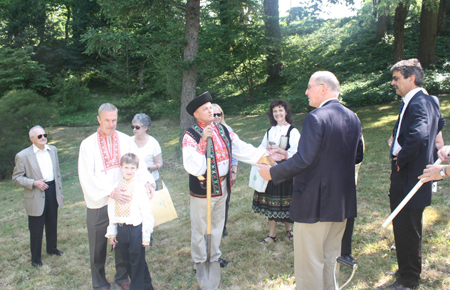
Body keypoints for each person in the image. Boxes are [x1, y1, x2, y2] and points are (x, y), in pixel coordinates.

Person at [258, 71, 364, 290]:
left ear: (323, 89)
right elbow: (357, 156)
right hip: (341, 202)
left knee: (310, 263)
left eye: (309, 87)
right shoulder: (353, 117)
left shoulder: (316, 118)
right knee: (330, 258)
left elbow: (304, 159)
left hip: (315, 204)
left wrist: (273, 173)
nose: (306, 92)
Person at [182, 92, 266, 269]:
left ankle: (213, 256)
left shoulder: (224, 130)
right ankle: (199, 260)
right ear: (196, 115)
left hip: (223, 185)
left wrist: (264, 157)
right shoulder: (190, 135)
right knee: (200, 227)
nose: (210, 110)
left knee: (218, 223)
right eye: (205, 109)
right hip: (203, 187)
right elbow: (193, 167)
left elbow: (241, 148)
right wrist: (203, 140)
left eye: (211, 107)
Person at [381, 59, 445, 290]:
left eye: (397, 78)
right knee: (406, 227)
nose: (393, 83)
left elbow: (419, 135)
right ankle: (407, 272)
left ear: (412, 78)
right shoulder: (426, 100)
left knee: (407, 228)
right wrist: (397, 140)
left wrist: (402, 158)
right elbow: (439, 123)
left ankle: (408, 281)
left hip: (409, 175)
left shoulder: (419, 101)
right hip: (411, 173)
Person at [78, 103, 156, 290]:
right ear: (98, 119)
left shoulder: (125, 139)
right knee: (97, 245)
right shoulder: (87, 144)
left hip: (125, 199)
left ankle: (122, 277)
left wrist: (147, 181)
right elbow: (87, 175)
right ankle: (99, 282)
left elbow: (136, 162)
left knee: (123, 241)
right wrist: (110, 191)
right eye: (107, 120)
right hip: (100, 200)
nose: (111, 124)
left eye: (114, 120)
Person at [12, 126, 64, 267]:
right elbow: (16, 178)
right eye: (39, 136)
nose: (43, 138)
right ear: (32, 139)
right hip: (35, 193)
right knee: (36, 227)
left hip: (52, 190)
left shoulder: (52, 150)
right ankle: (36, 259)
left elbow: (57, 173)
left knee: (52, 222)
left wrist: (59, 192)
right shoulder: (23, 155)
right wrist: (34, 183)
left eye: (44, 135)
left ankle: (52, 249)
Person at [252, 100, 300, 244]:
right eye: (275, 111)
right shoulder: (270, 131)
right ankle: (272, 235)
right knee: (272, 201)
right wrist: (264, 152)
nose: (277, 114)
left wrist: (280, 151)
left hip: (286, 170)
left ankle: (289, 229)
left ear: (286, 112)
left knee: (286, 201)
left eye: (280, 110)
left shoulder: (293, 131)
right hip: (271, 170)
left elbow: (297, 153)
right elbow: (261, 148)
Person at [106, 153, 154, 290]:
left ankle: (137, 287)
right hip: (122, 230)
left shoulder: (139, 188)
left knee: (137, 261)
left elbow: (146, 213)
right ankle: (147, 287)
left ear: (137, 169)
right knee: (127, 261)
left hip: (135, 230)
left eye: (132, 168)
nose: (129, 171)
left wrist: (146, 235)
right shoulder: (115, 187)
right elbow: (112, 211)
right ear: (120, 168)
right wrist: (112, 232)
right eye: (126, 167)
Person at [212, 103, 238, 237]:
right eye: (214, 114)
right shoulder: (207, 131)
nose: (217, 117)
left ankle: (222, 228)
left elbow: (234, 152)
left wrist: (234, 171)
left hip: (226, 173)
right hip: (211, 175)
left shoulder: (227, 130)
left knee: (225, 200)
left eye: (219, 114)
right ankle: (210, 230)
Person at [131, 113, 163, 190]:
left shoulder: (153, 143)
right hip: (132, 181)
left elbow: (159, 164)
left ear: (146, 127)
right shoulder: (129, 141)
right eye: (133, 127)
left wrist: (148, 168)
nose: (134, 129)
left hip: (150, 181)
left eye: (137, 127)